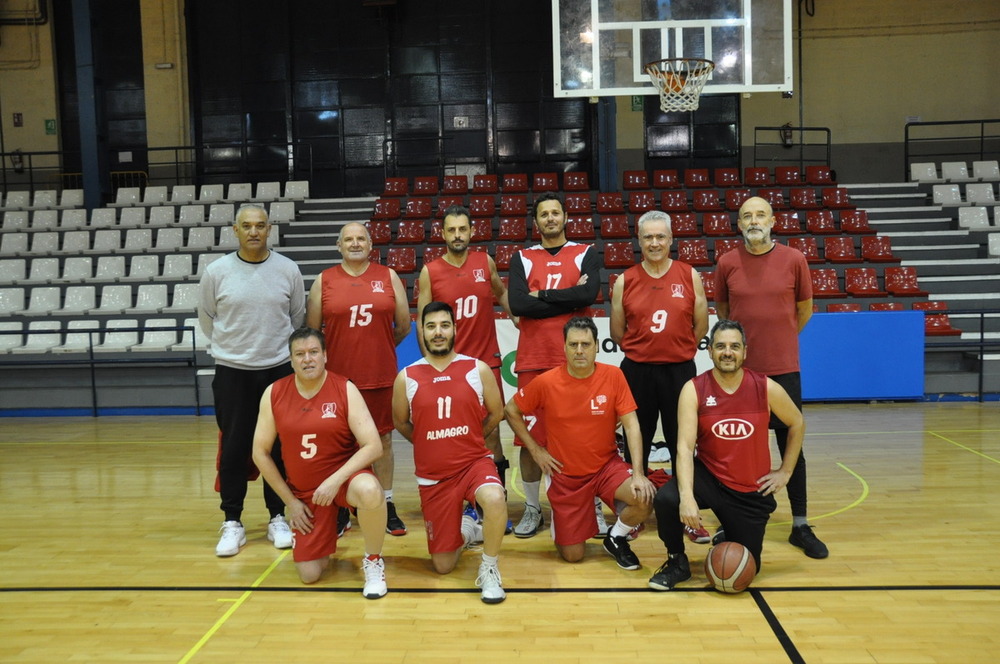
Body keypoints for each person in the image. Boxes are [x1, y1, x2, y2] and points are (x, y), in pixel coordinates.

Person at [648, 319, 804, 590]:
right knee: (667, 499)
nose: (727, 352)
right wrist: (686, 498)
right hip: (709, 477)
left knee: (744, 569)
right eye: (720, 346)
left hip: (748, 490)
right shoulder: (694, 389)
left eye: (734, 346)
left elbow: (797, 423)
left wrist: (785, 471)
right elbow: (684, 448)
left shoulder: (764, 387)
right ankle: (677, 562)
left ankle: (729, 532)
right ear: (709, 351)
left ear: (745, 351)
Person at [714, 196, 828, 559]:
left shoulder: (794, 260)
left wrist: (778, 340)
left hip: (783, 369)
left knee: (790, 442)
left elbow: (804, 310)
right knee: (735, 448)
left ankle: (800, 523)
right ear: (738, 224)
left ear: (773, 220)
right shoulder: (727, 263)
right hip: (738, 372)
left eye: (760, 214)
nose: (753, 220)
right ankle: (732, 517)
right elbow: (723, 312)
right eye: (746, 215)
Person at [504, 316, 655, 569]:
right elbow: (510, 410)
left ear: (597, 345)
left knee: (644, 497)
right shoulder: (547, 381)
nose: (579, 350)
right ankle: (568, 521)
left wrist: (638, 474)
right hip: (566, 476)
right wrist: (536, 449)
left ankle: (615, 538)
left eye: (586, 344)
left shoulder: (614, 376)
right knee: (573, 556)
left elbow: (632, 425)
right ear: (564, 347)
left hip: (606, 467)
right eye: (573, 344)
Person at [198, 204, 305, 557]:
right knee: (234, 448)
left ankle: (277, 516)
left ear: (269, 229)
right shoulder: (216, 272)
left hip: (278, 371)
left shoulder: (288, 270)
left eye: (260, 226)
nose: (254, 232)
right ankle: (233, 521)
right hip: (232, 372)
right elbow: (208, 318)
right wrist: (236, 350)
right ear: (235, 230)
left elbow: (297, 317)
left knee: (278, 449)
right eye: (247, 226)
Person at [251, 327, 388, 598]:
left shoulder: (344, 388)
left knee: (370, 491)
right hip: (306, 494)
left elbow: (374, 445)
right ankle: (327, 531)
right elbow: (259, 452)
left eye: (314, 352)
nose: (307, 359)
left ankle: (373, 560)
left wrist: (335, 480)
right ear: (290, 360)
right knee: (310, 575)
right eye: (299, 354)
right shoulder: (274, 393)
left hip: (343, 482)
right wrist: (291, 502)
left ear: (325, 355)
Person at [392, 301, 508, 603]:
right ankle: (469, 528)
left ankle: (490, 568)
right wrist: (427, 442)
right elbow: (400, 421)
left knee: (495, 498)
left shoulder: (476, 368)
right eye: (431, 326)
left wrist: (473, 438)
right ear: (422, 332)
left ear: (455, 329)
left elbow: (497, 412)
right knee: (443, 565)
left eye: (444, 325)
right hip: (434, 476)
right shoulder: (407, 377)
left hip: (473, 464)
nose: (438, 332)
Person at [306, 222, 411, 537]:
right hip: (338, 381)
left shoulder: (387, 276)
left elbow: (403, 326)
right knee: (340, 445)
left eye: (360, 238)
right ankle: (341, 507)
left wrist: (376, 347)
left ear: (370, 244)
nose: (355, 243)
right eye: (348, 239)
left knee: (384, 442)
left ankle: (386, 503)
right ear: (339, 246)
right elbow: (313, 335)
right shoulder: (323, 281)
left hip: (380, 376)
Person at [507, 193, 602, 538]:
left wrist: (541, 297)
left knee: (585, 436)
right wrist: (567, 297)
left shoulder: (585, 253)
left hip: (575, 360)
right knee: (530, 440)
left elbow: (588, 296)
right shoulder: (522, 257)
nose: (550, 218)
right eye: (544, 214)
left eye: (555, 213)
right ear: (537, 222)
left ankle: (591, 503)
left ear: (565, 217)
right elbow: (517, 303)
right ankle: (533, 509)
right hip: (533, 360)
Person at [416, 205, 514, 518]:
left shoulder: (485, 262)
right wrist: (430, 362)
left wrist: (521, 319)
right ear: (442, 234)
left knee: (492, 433)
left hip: (486, 363)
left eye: (463, 229)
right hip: (448, 366)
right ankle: (456, 495)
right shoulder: (430, 271)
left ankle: (493, 502)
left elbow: (502, 292)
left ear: (471, 232)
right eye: (452, 230)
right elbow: (422, 321)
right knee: (452, 432)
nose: (458, 235)